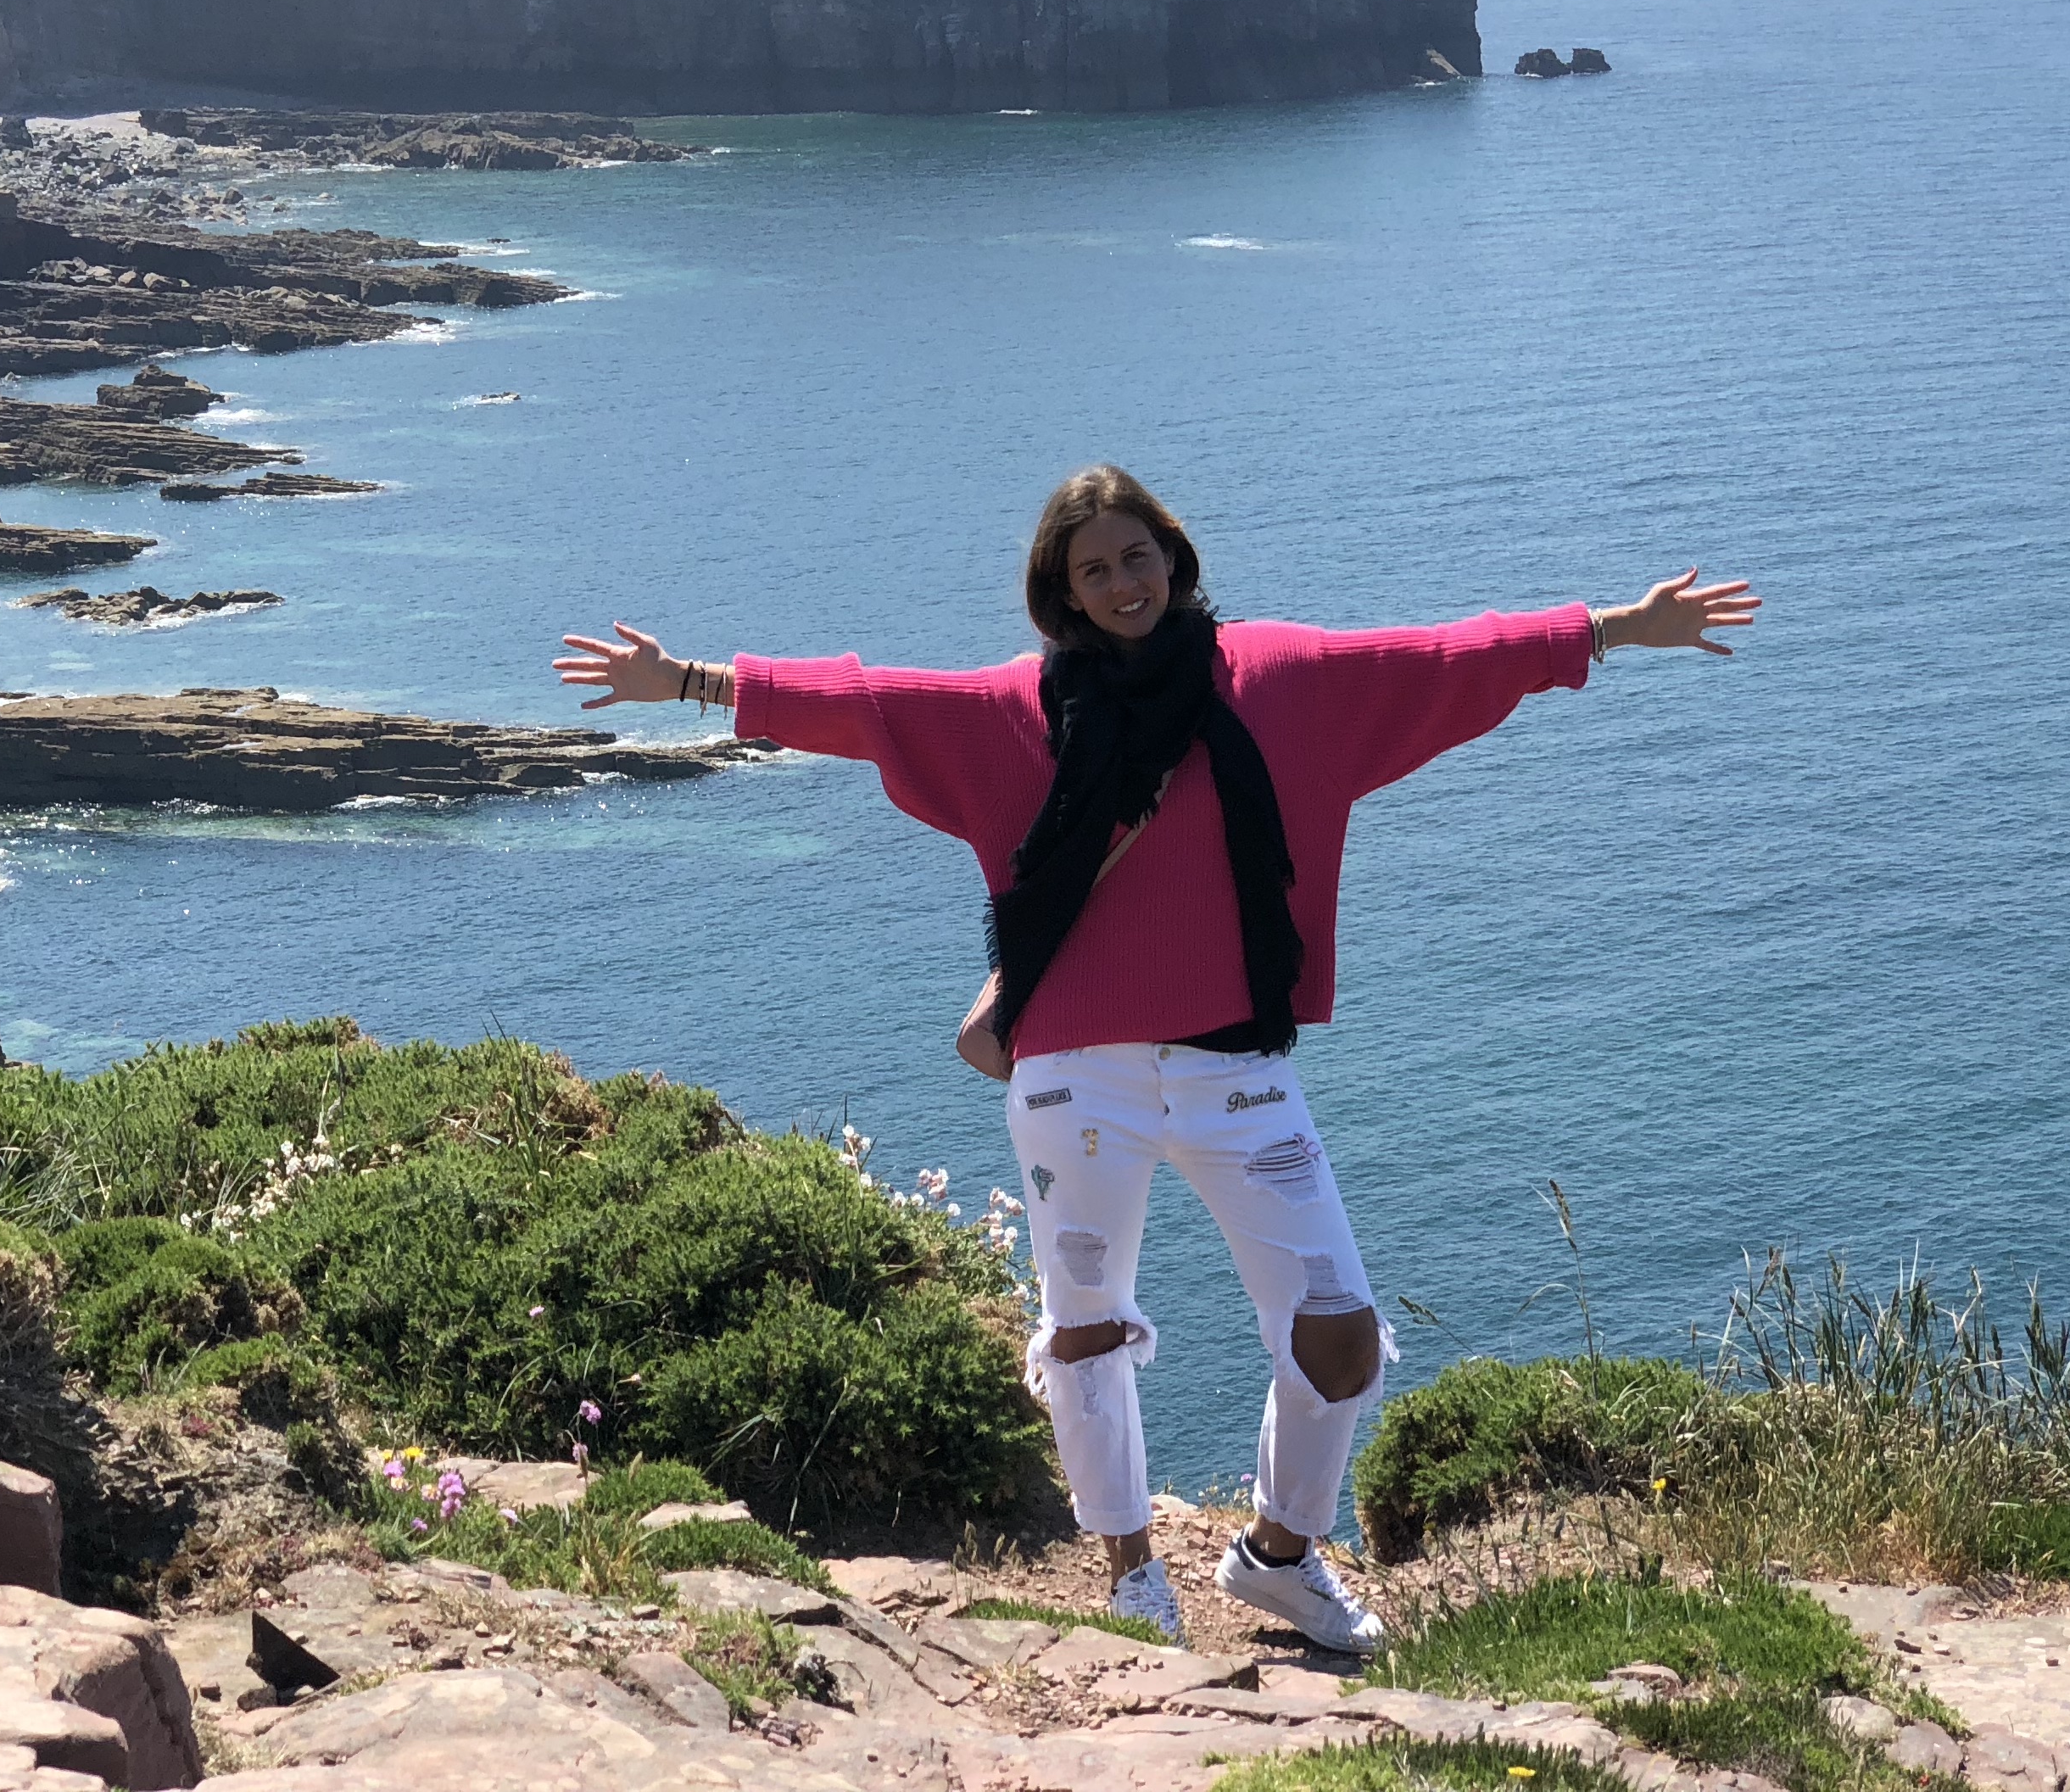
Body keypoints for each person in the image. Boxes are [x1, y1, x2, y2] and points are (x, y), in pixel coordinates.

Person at [555, 464, 1756, 1650]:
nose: (1123, 583)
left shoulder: (1277, 680)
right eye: (1094, 569)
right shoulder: (1018, 710)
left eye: (1138, 556)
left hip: (1239, 1071)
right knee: (1085, 1329)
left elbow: (1440, 659)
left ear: (1175, 561)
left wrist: (1613, 627)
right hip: (1079, 1080)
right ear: (1063, 593)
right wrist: (694, 682)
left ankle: (1277, 1557)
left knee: (1339, 1334)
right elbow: (872, 705)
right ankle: (1132, 1575)